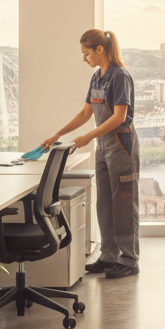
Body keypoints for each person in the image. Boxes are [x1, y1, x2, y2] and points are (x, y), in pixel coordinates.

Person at [43, 29, 139, 279]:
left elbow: (119, 117)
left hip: (121, 145)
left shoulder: (120, 76)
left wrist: (88, 136)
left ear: (100, 50)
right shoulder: (97, 77)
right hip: (103, 146)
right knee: (105, 203)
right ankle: (108, 256)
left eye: (86, 53)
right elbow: (86, 113)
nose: (84, 58)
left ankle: (129, 260)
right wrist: (58, 134)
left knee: (124, 205)